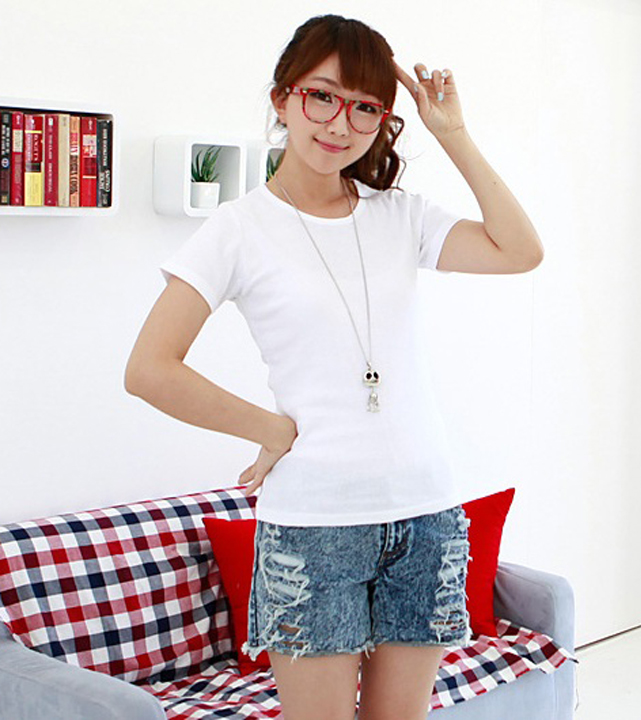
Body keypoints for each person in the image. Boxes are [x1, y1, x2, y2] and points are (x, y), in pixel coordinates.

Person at [124, 13, 543, 720]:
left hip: (427, 515)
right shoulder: (238, 229)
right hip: (314, 526)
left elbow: (520, 251)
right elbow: (149, 369)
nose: (341, 124)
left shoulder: (400, 216)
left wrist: (453, 135)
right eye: (322, 96)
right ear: (283, 98)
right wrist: (273, 429)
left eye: (365, 108)